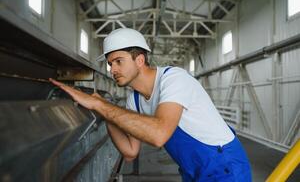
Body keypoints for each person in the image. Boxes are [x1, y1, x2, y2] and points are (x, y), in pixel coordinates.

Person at [50, 28, 252, 182]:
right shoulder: (134, 100)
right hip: (192, 170)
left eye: (119, 61)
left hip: (224, 166)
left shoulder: (174, 79)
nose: (113, 70)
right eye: (110, 64)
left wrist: (101, 105)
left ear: (139, 59)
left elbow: (159, 134)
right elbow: (130, 152)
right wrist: (102, 111)